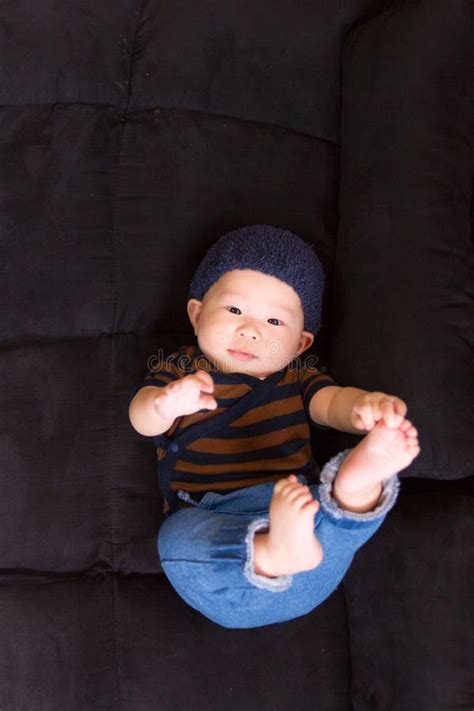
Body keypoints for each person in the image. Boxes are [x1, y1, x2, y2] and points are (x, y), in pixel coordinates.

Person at [128, 224, 420, 629]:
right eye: (233, 310)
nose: (250, 330)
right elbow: (141, 419)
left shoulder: (297, 378)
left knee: (330, 527)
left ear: (300, 344)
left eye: (274, 322)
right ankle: (286, 540)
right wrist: (165, 404)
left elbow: (331, 403)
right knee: (176, 540)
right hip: (216, 518)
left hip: (297, 510)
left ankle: (351, 491)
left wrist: (362, 406)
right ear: (196, 314)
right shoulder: (181, 371)